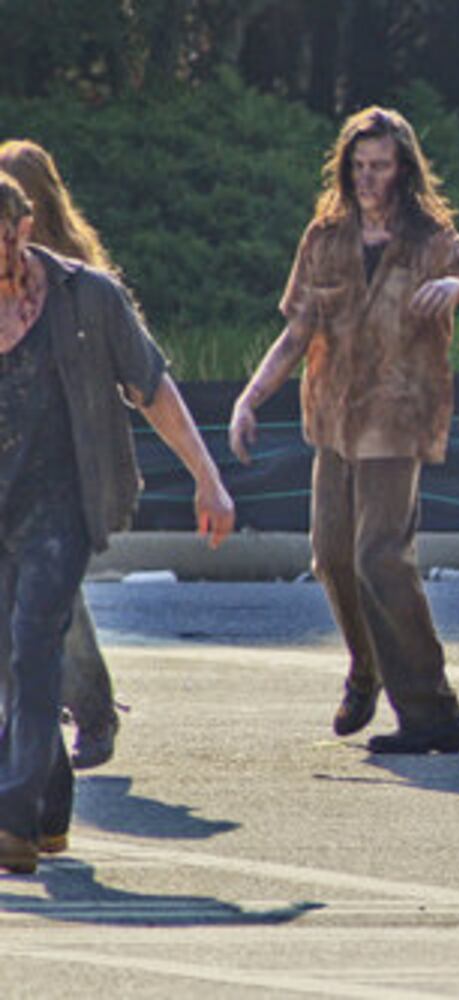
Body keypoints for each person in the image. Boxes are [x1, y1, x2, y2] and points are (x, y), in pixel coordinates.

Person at [229, 107, 459, 754]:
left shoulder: (433, 239)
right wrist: (249, 398)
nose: (368, 177)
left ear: (403, 167)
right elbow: (296, 331)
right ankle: (366, 668)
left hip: (399, 416)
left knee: (380, 556)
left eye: (380, 165)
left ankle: (433, 711)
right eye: (358, 165)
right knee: (331, 556)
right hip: (334, 416)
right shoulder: (325, 236)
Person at [0, 173, 234, 873]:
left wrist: (208, 477)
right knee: (10, 668)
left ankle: (13, 818)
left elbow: (150, 386)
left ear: (24, 229)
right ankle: (48, 807)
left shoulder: (87, 298)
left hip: (62, 504)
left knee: (34, 645)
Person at [0, 139, 126, 769]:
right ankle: (29, 740)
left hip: (59, 466)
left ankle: (92, 712)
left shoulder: (72, 275)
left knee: (57, 607)